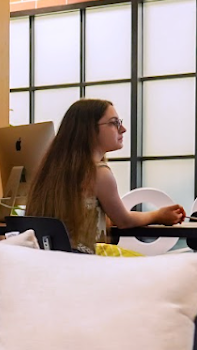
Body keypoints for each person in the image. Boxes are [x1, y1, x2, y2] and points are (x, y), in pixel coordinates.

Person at [25, 99, 186, 253]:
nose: (123, 129)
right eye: (114, 123)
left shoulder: (50, 171)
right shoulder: (99, 173)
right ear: (89, 130)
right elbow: (124, 221)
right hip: (83, 263)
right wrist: (158, 215)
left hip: (50, 261)